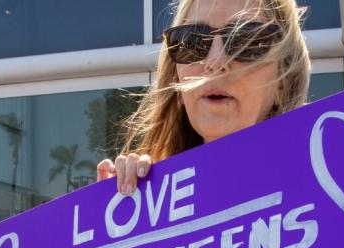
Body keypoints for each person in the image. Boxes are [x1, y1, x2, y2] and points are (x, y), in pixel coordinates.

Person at [98, 0, 309, 193]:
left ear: (284, 80)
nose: (214, 62)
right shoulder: (150, 202)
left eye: (247, 40)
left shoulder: (325, 192)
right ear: (177, 83)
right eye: (191, 42)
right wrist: (116, 216)